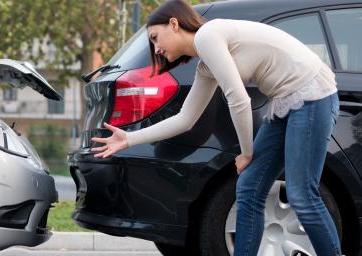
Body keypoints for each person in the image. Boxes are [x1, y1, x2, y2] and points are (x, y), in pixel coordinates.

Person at [90, 0, 341, 255]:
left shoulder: (208, 36)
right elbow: (185, 119)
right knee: (249, 187)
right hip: (285, 102)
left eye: (156, 37)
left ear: (174, 24)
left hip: (312, 95)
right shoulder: (206, 65)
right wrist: (129, 138)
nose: (156, 48)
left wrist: (246, 153)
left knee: (302, 196)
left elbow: (239, 100)